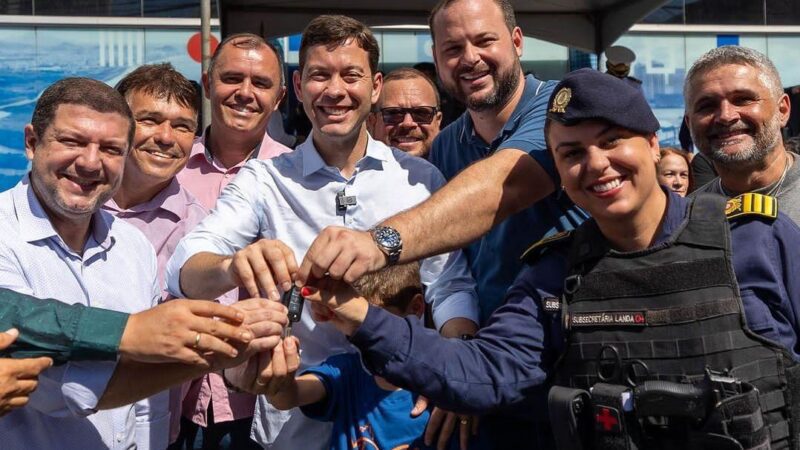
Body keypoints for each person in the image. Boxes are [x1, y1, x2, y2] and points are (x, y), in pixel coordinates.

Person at [296, 68, 800, 449]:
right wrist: (358, 315)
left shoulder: (760, 239)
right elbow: (483, 373)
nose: (596, 164)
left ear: (651, 144)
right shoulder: (555, 274)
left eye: (611, 142)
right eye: (572, 153)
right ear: (557, 170)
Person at [167, 14, 478, 450]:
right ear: (298, 89)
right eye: (319, 75)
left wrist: (455, 368)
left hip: (401, 421)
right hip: (291, 428)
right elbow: (187, 262)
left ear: (374, 87)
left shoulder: (420, 179)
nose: (335, 91)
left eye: (351, 75)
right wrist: (231, 265)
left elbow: (448, 285)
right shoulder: (265, 180)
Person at [0, 77, 285, 449]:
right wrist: (134, 332)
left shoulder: (132, 245)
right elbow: (56, 382)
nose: (90, 162)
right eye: (72, 142)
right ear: (32, 143)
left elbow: (148, 391)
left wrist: (232, 348)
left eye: (110, 149)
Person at [297, 0, 587, 326]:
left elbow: (497, 189)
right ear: (437, 59)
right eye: (453, 48)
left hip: (571, 336)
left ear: (517, 41)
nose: (470, 57)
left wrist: (377, 242)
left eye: (484, 40)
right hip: (489, 344)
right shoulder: (448, 142)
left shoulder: (559, 111)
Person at [174, 33, 293, 449]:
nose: (245, 93)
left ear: (279, 97)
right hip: (173, 397)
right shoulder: (167, 169)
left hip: (261, 401)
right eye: (231, 79)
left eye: (260, 83)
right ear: (207, 85)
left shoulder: (296, 176)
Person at [250, 263, 462, 450]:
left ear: (416, 307)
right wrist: (278, 375)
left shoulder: (445, 381)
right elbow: (289, 396)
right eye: (354, 319)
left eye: (378, 319)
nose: (366, 330)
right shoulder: (347, 373)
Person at [103, 63, 205, 300]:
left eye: (182, 126)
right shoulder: (75, 200)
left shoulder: (198, 228)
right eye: (150, 120)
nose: (166, 137)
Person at [687, 46, 800, 223]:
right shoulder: (684, 223)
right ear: (689, 123)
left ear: (782, 110)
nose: (726, 116)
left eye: (743, 99)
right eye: (707, 106)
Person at [371, 67, 442, 159]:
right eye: (394, 113)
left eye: (421, 113)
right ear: (371, 122)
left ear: (438, 120)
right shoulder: (353, 171)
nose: (407, 123)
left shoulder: (457, 168)